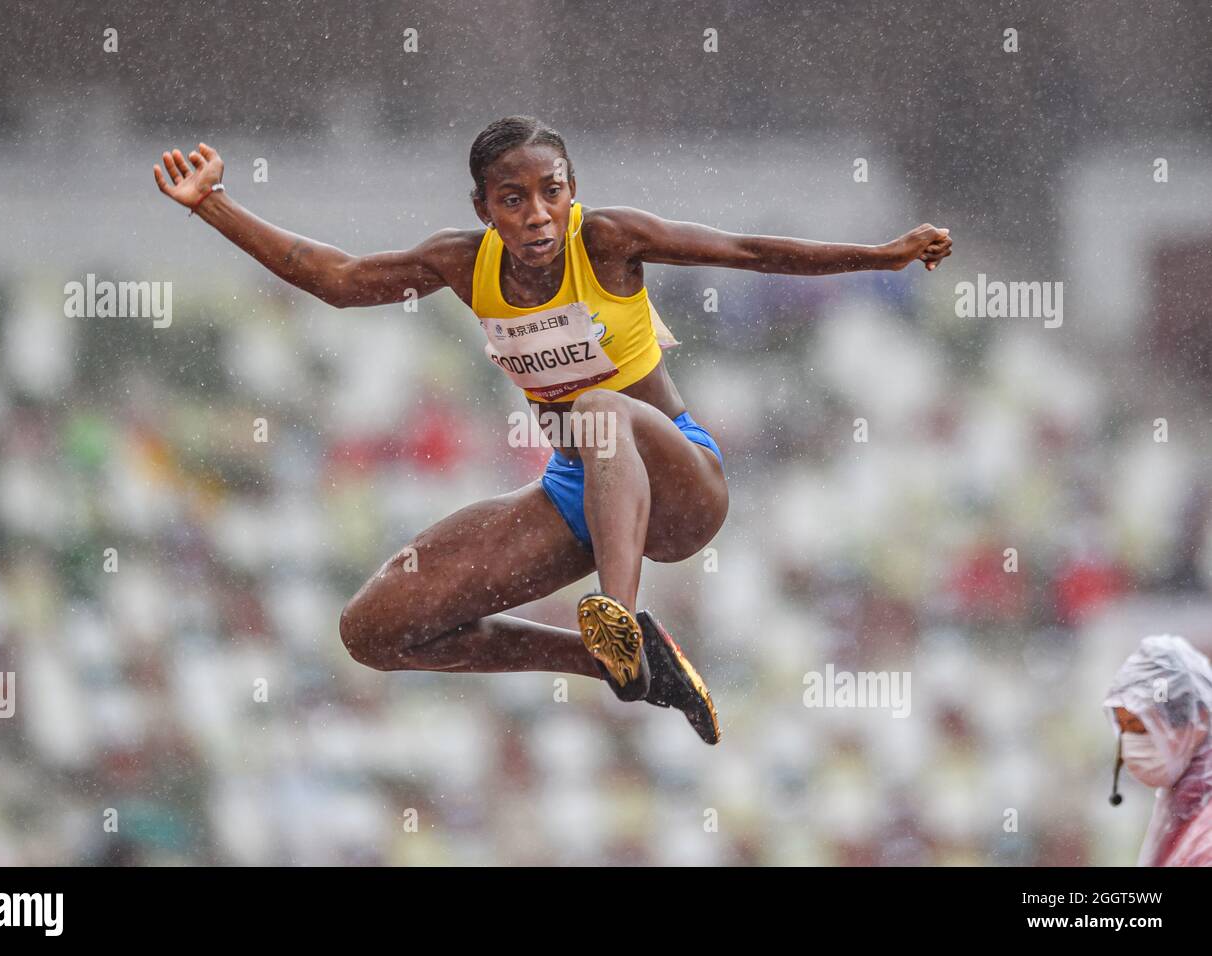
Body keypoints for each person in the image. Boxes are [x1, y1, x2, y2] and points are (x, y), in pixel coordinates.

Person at [153, 115, 953, 744]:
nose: (537, 214)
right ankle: (623, 662)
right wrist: (212, 205)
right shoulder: (462, 264)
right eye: (513, 199)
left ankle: (623, 614)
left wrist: (880, 257)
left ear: (572, 192)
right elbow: (329, 278)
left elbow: (747, 250)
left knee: (599, 410)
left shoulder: (606, 241)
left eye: (552, 192)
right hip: (577, 495)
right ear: (483, 208)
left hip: (679, 481)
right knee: (374, 629)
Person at [1104, 634, 1212, 865]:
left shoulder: (1206, 839)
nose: (1128, 745)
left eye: (1139, 726)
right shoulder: (1181, 812)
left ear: (1196, 721)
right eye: (1122, 727)